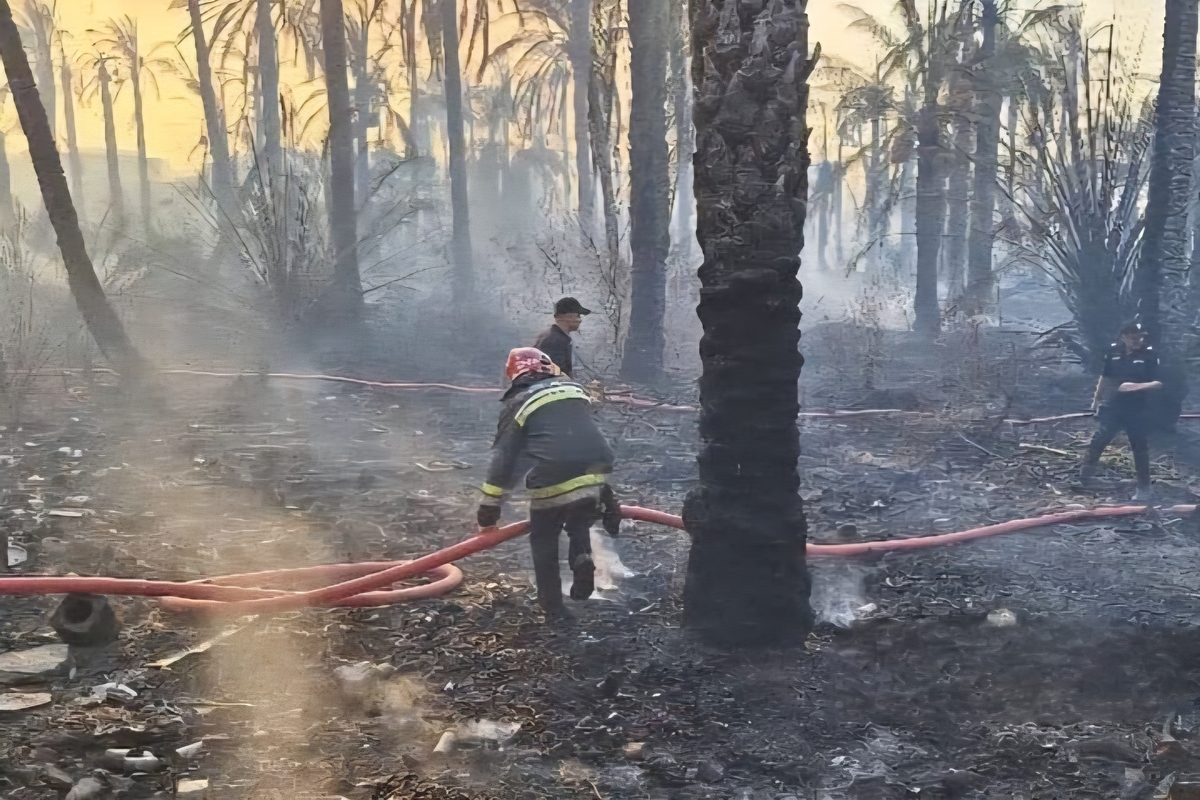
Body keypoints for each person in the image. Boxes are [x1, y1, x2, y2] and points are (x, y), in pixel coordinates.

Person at [476, 347, 621, 620]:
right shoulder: (574, 390)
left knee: (544, 539)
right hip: (597, 468)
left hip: (554, 475)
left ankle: (553, 608)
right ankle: (581, 556)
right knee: (580, 517)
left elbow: (506, 460)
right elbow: (574, 434)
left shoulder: (518, 402)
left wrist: (489, 510)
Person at [1080, 321, 1163, 501]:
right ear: (1123, 337)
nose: (1138, 341)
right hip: (1114, 404)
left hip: (1138, 408)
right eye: (1133, 338)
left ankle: (1143, 488)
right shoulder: (1113, 353)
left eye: (1140, 337)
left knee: (1139, 446)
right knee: (1099, 439)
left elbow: (1159, 382)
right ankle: (1085, 478)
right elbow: (1106, 376)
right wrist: (1096, 398)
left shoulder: (1150, 356)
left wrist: (1136, 386)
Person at [533, 297, 592, 378]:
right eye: (578, 316)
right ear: (569, 317)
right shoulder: (556, 341)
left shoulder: (553, 337)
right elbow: (557, 376)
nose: (580, 320)